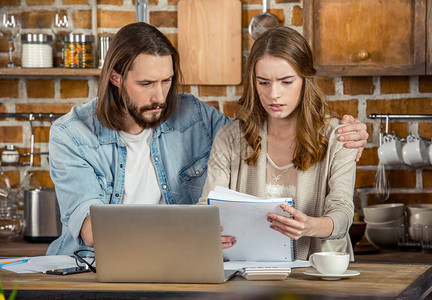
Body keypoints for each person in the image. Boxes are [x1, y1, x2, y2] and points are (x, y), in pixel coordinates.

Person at [47, 23, 367, 256]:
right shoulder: (72, 134)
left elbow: (255, 135)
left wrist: (349, 136)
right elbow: (93, 232)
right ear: (116, 78)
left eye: (167, 80)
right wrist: (193, 231)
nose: (161, 96)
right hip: (93, 266)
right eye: (146, 83)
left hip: (181, 264)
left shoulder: (194, 116)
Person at [200, 26, 358, 259]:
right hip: (248, 274)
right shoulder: (230, 137)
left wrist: (311, 226)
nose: (274, 94)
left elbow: (342, 212)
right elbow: (208, 207)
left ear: (305, 80)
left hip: (319, 274)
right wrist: (207, 232)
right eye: (263, 82)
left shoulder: (339, 137)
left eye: (286, 82)